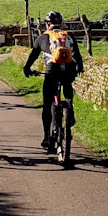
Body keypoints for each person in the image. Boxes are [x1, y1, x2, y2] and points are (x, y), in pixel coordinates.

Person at [22, 11, 84, 150]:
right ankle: (70, 107)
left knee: (47, 103)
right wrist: (79, 68)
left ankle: (46, 137)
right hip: (68, 69)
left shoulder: (43, 38)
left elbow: (33, 56)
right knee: (67, 84)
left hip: (52, 71)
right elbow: (77, 55)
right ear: (61, 23)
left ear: (47, 24)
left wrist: (27, 69)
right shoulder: (69, 36)